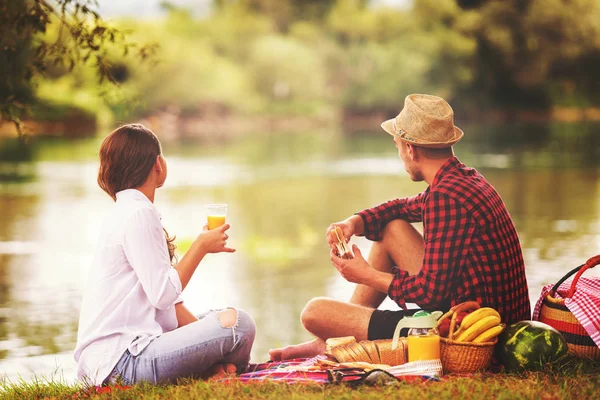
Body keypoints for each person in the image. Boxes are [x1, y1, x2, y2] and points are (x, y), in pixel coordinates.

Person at [269, 94, 531, 361]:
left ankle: (334, 337)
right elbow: (400, 208)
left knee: (314, 313)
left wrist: (365, 274)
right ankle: (336, 338)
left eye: (397, 146)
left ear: (410, 149)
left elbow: (429, 293)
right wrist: (355, 222)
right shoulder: (461, 180)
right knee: (392, 228)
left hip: (473, 333)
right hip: (488, 315)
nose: (400, 154)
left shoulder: (446, 198)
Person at [74, 124, 256, 385]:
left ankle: (214, 370)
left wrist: (209, 340)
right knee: (240, 325)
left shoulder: (127, 209)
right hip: (123, 363)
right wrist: (200, 247)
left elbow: (168, 306)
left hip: (114, 360)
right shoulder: (139, 213)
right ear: (158, 164)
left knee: (222, 317)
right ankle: (217, 370)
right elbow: (163, 294)